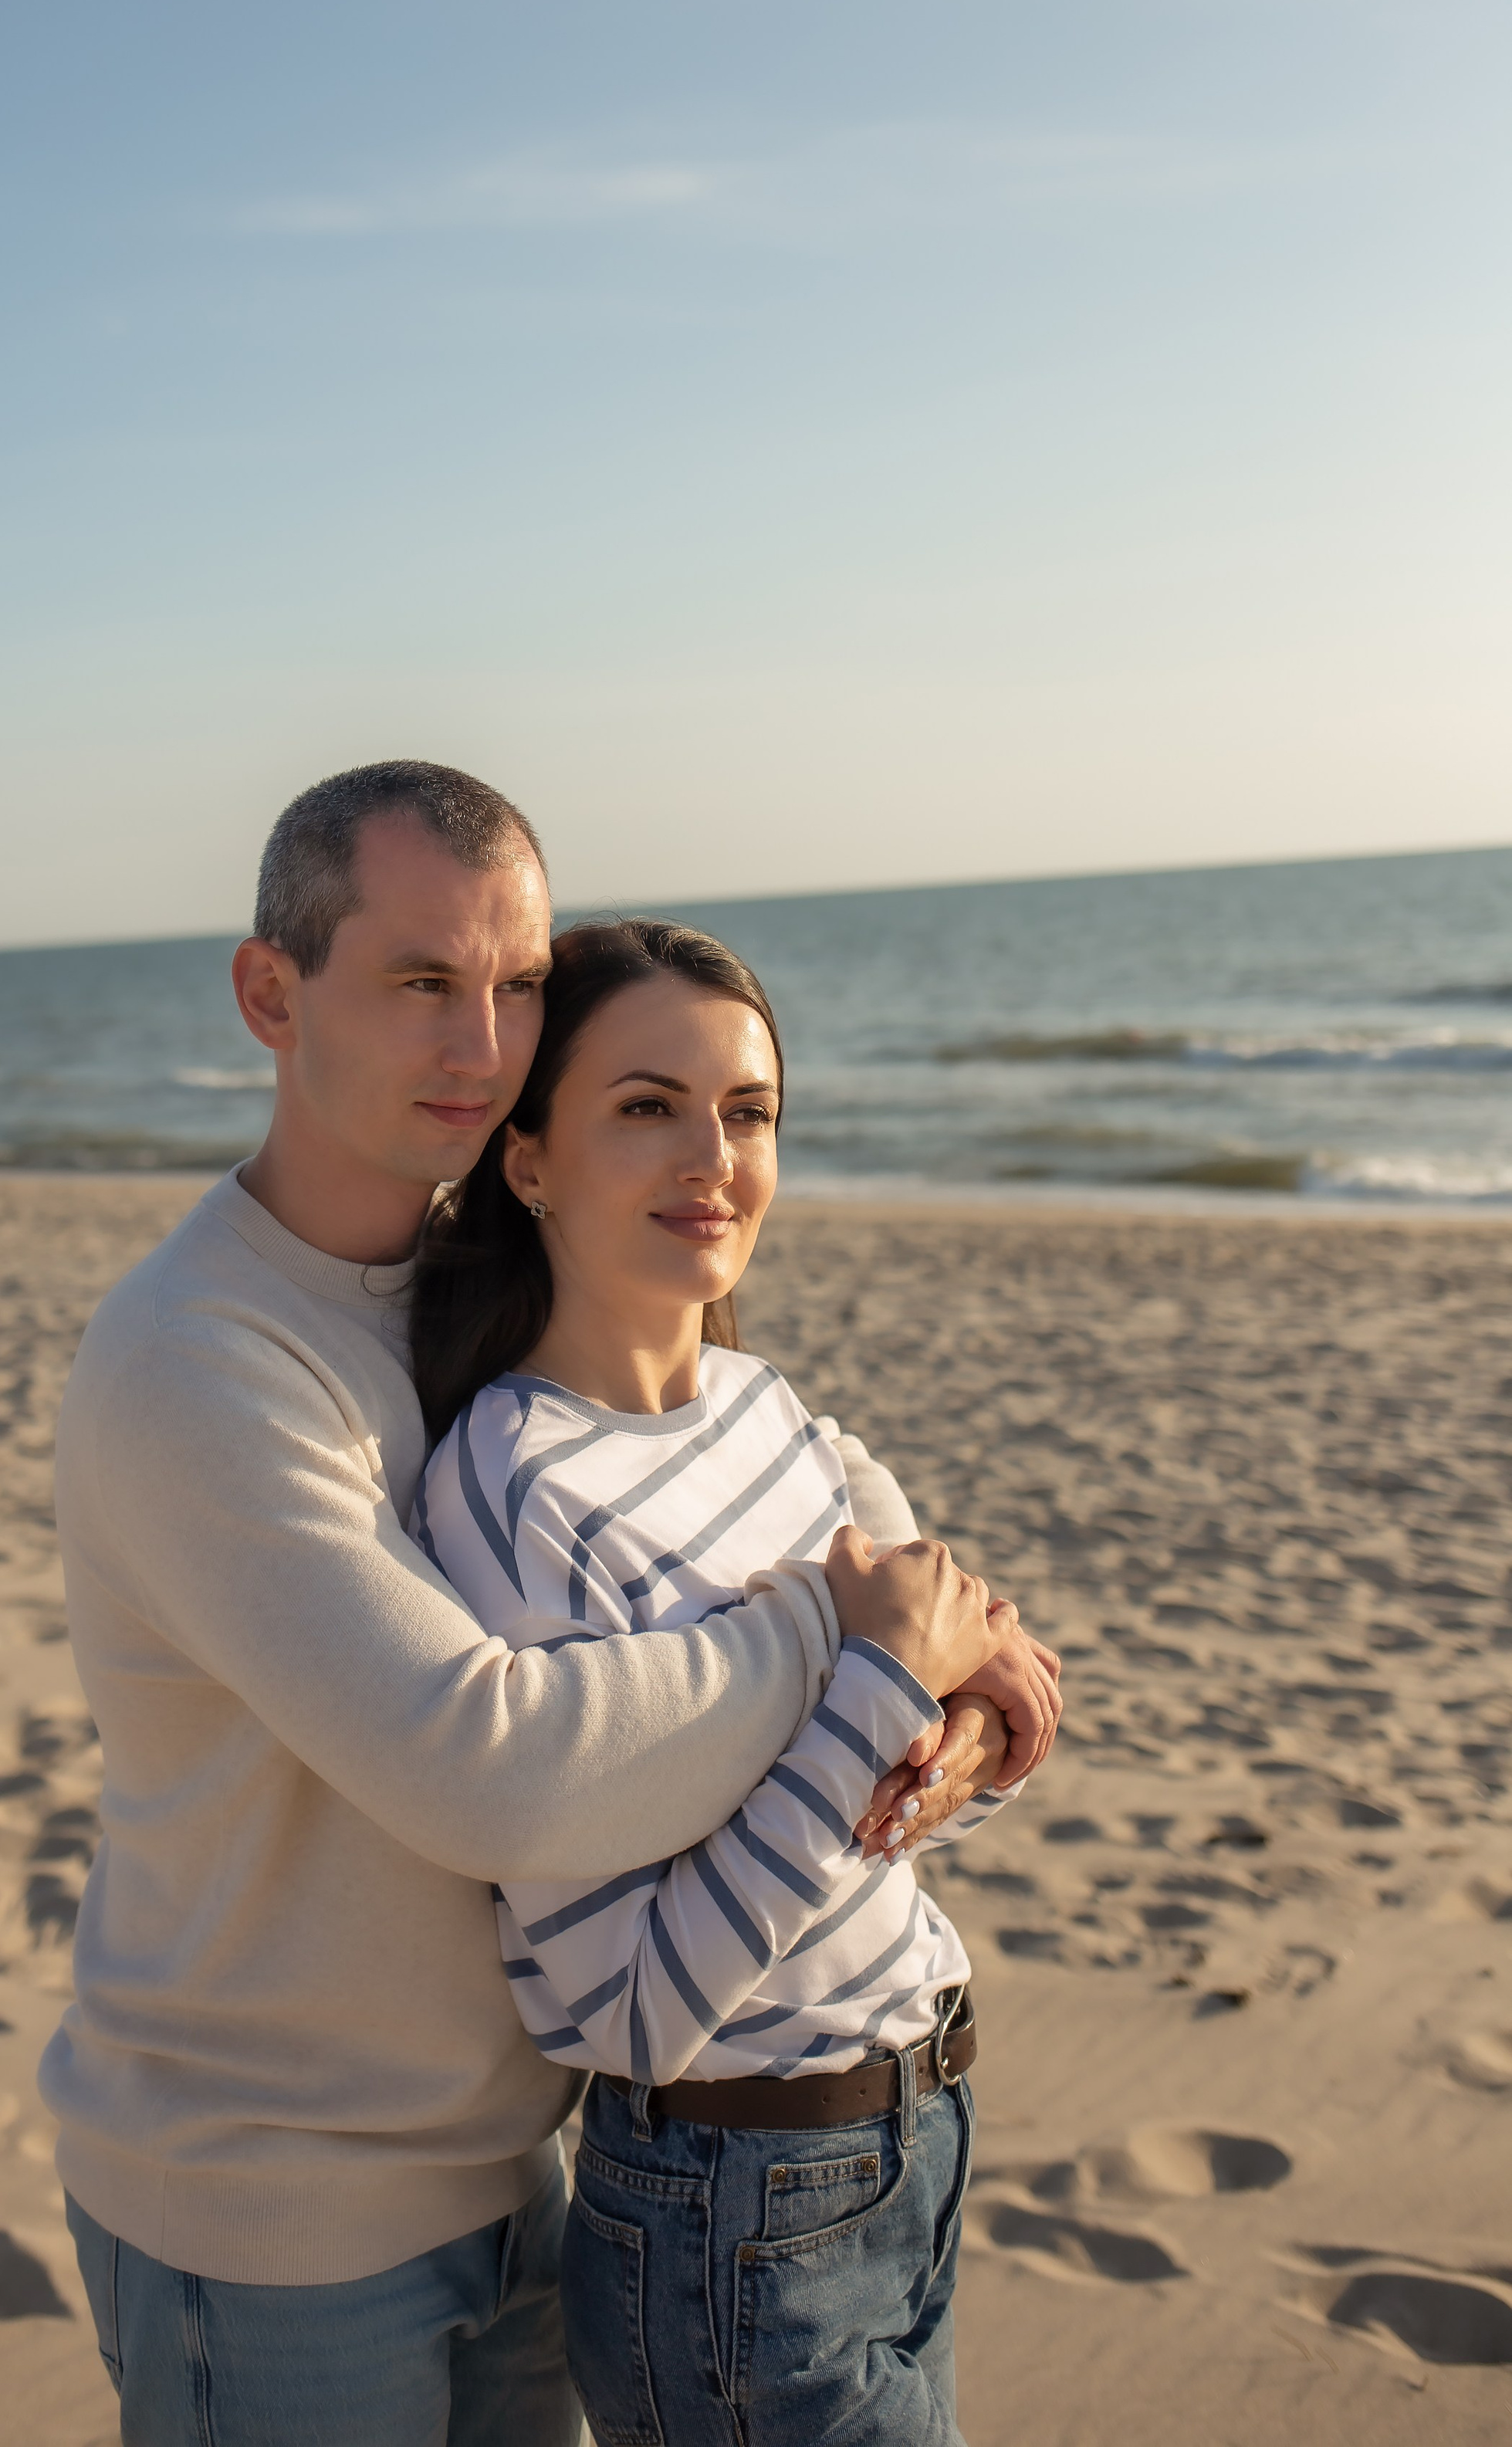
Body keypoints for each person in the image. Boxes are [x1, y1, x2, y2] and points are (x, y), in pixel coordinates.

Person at [41, 760, 1059, 2447]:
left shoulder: (480, 1298)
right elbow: (493, 1766)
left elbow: (844, 1524)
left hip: (530, 2161)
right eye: (421, 981)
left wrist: (962, 1685)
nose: (480, 1041)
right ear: (268, 994)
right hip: (275, 2199)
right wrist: (849, 1637)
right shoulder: (198, 1362)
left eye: (515, 987)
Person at [412, 917, 1048, 2446]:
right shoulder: (515, 1492)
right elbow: (626, 2010)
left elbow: (959, 1729)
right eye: (645, 1106)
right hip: (735, 2214)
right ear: (527, 1159)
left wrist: (954, 1727)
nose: (714, 1156)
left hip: (917, 2137)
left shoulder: (773, 1413)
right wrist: (892, 1682)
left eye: (747, 1113)